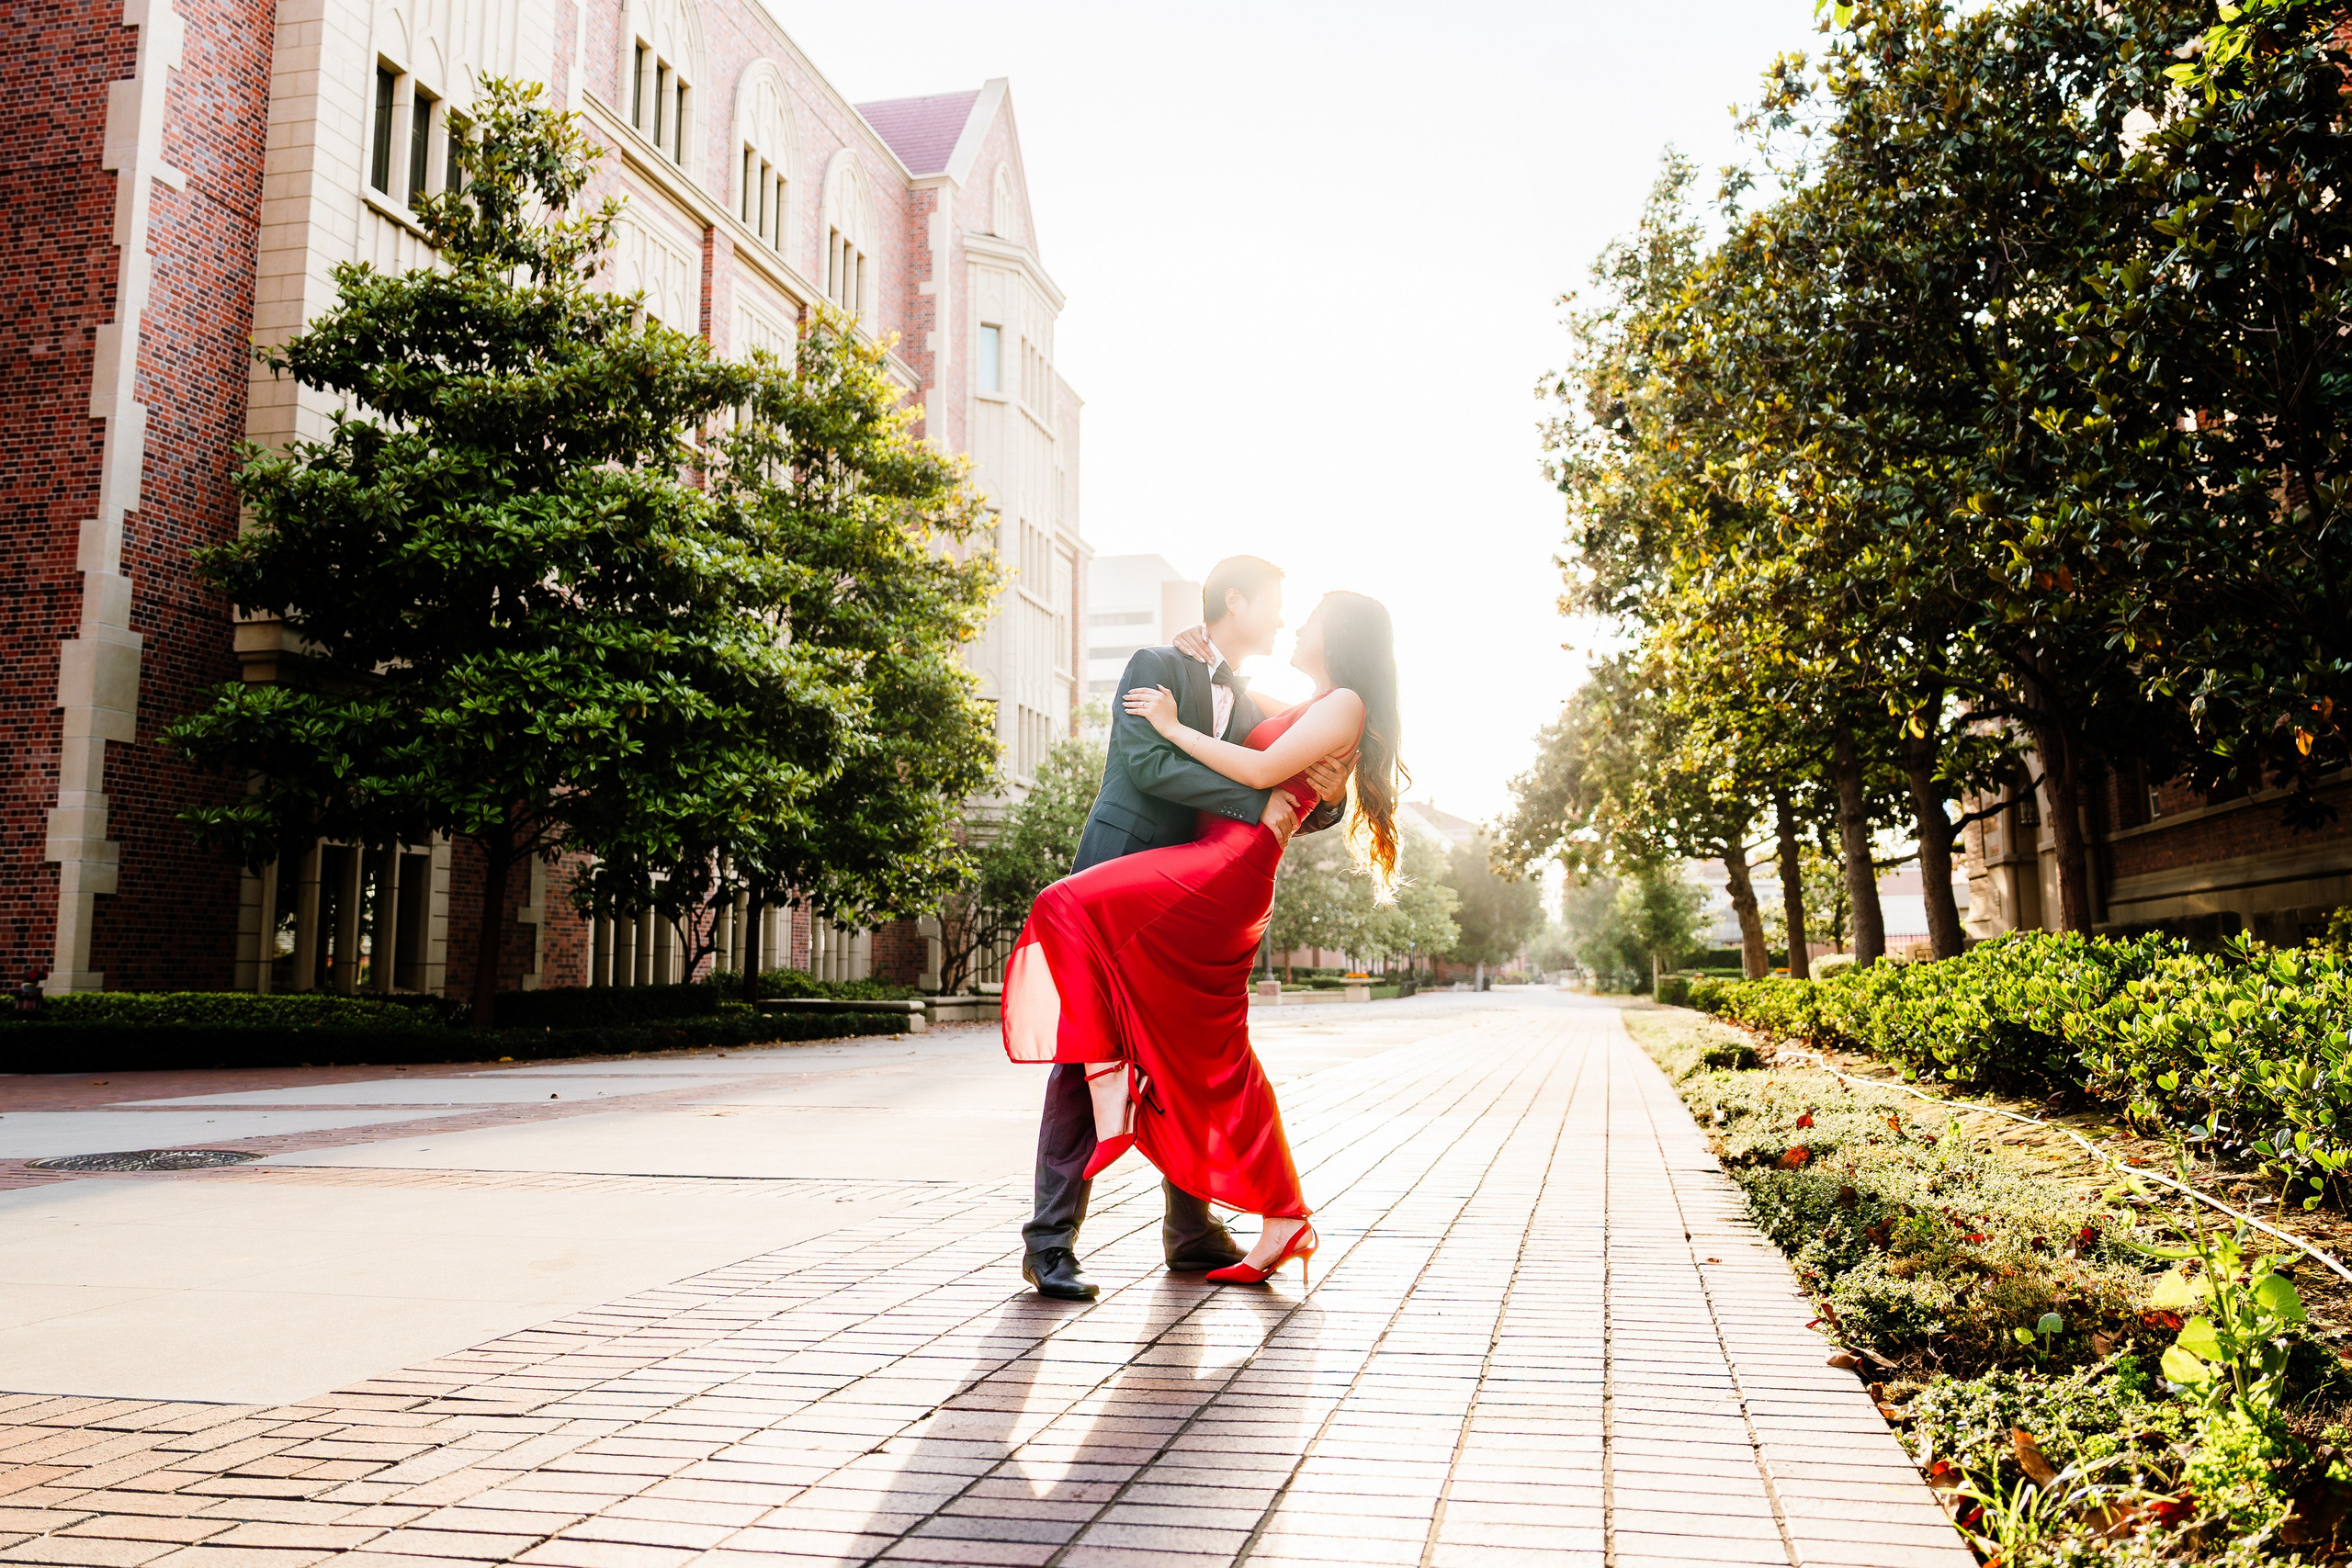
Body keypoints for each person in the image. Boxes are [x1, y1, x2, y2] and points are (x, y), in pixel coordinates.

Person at [1004, 586, 1404, 1293]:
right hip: (1134, 868)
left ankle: (1194, 1231)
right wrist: (1260, 792)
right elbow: (1150, 766)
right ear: (1234, 600)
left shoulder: (1260, 703)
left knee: (1189, 1052)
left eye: (1302, 614)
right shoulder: (1158, 663)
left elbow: (1288, 794)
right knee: (1100, 1047)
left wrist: (1333, 792)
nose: (1285, 619)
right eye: (1277, 604)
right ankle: (1052, 1242)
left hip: (1203, 886)